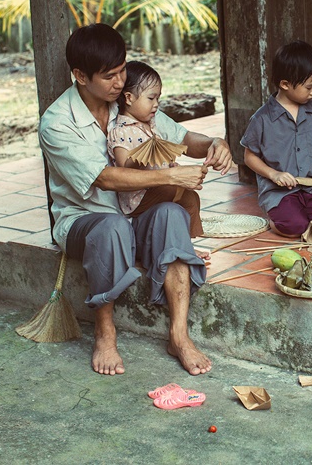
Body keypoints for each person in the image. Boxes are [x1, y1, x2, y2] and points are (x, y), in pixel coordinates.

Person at [38, 23, 232, 376]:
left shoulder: (125, 103)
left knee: (173, 213)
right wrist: (170, 175)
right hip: (86, 220)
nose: (119, 81)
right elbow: (105, 178)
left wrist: (216, 143)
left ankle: (178, 334)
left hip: (134, 215)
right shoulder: (57, 122)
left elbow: (183, 136)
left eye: (123, 70)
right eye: (109, 75)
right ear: (80, 75)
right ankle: (105, 331)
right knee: (112, 227)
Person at [240, 40, 312, 237]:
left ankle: (310, 209)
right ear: (285, 84)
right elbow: (249, 157)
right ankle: (275, 218)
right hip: (279, 192)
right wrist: (274, 175)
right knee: (294, 227)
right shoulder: (262, 119)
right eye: (308, 87)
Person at [106, 60, 203, 239]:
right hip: (138, 198)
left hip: (158, 188)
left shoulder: (151, 126)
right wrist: (142, 155)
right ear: (129, 98)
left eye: (158, 98)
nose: (156, 104)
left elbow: (162, 160)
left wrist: (174, 168)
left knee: (191, 198)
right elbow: (123, 166)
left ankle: (188, 242)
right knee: (172, 190)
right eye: (151, 98)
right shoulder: (121, 131)